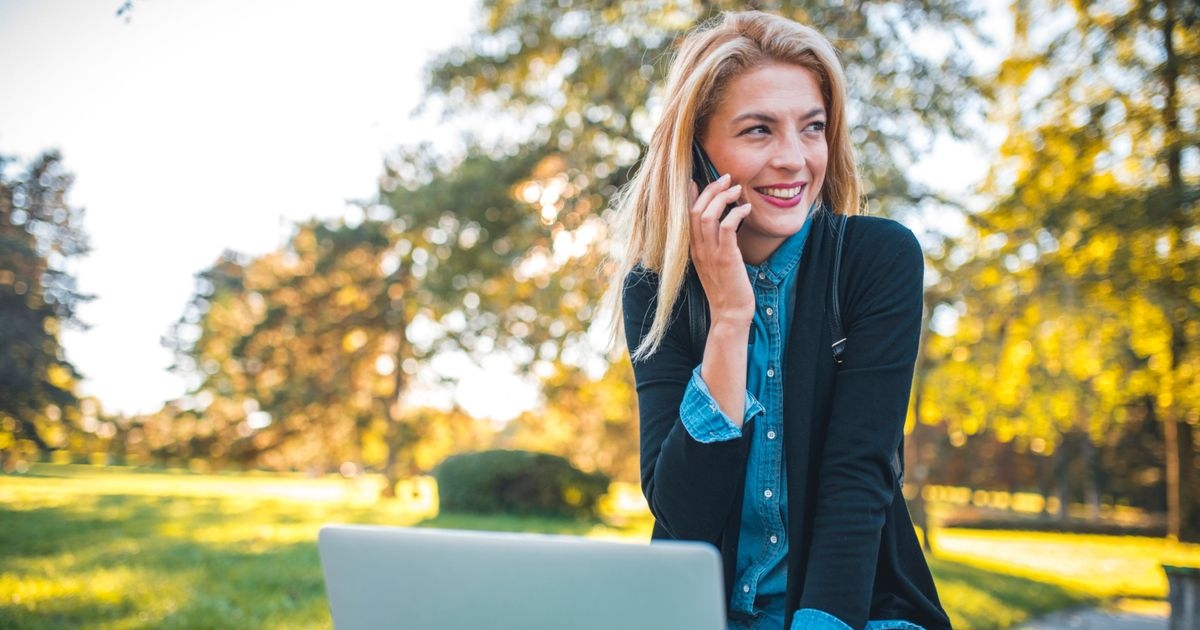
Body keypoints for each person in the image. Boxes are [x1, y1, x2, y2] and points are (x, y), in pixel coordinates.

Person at [606, 10, 952, 630]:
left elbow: (857, 477)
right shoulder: (653, 289)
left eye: (812, 128)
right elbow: (683, 511)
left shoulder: (877, 259)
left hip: (854, 611)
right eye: (758, 131)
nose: (794, 159)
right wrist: (731, 319)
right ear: (697, 154)